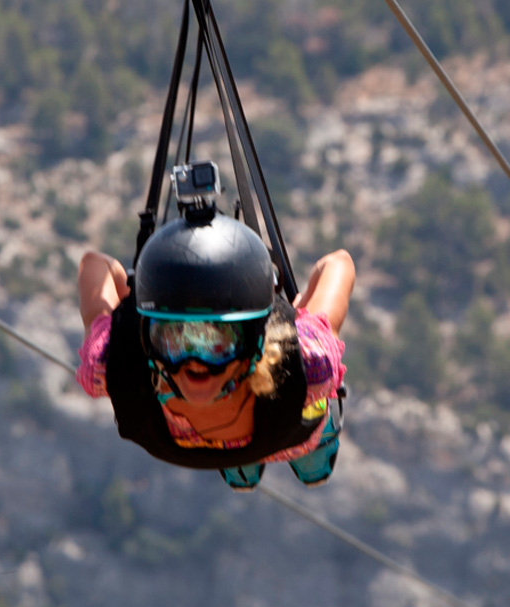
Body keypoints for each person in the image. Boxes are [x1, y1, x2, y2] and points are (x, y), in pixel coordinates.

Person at [75, 205, 354, 489]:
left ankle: (241, 463)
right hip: (290, 436)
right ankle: (306, 453)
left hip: (206, 443)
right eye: (177, 340)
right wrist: (301, 316)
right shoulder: (308, 360)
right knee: (310, 401)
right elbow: (339, 263)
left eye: (215, 342)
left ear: (252, 345)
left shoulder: (111, 364)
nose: (195, 362)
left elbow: (94, 263)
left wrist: (134, 298)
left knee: (300, 392)